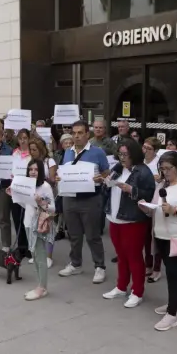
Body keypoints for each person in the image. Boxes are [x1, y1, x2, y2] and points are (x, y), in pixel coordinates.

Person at [138, 151, 177, 331]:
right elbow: (154, 208)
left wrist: (176, 211)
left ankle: (172, 315)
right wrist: (145, 207)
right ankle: (174, 304)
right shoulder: (160, 186)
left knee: (173, 274)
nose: (165, 172)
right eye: (162, 168)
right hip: (160, 236)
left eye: (169, 168)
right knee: (169, 271)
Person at [101, 138, 156, 307]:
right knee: (121, 256)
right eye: (120, 154)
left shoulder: (143, 171)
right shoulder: (118, 168)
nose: (122, 157)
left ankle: (137, 292)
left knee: (134, 257)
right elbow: (108, 188)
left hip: (133, 220)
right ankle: (121, 287)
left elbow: (149, 194)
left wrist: (131, 189)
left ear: (134, 154)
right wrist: (104, 182)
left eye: (126, 154)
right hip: (114, 218)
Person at [58, 120, 112, 282]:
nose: (76, 136)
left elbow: (107, 172)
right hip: (70, 199)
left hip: (91, 199)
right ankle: (76, 264)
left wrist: (100, 178)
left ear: (87, 135)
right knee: (74, 235)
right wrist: (59, 177)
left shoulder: (98, 152)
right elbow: (65, 172)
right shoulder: (67, 152)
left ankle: (100, 266)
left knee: (92, 235)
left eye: (80, 133)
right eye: (74, 133)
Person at [14, 159, 57, 300]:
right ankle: (39, 284)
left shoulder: (45, 186)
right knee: (34, 254)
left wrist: (41, 202)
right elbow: (24, 203)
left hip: (39, 224)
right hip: (28, 223)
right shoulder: (27, 185)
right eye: (30, 169)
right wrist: (13, 193)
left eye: (36, 169)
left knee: (40, 255)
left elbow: (52, 208)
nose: (32, 172)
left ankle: (42, 287)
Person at [27, 136, 58, 268]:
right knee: (35, 227)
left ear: (40, 149)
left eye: (34, 149)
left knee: (48, 227)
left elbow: (52, 179)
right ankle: (37, 253)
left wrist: (42, 179)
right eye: (30, 149)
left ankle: (49, 257)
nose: (32, 152)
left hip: (46, 193)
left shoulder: (49, 161)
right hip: (34, 194)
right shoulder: (31, 161)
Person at [142, 137, 164, 281]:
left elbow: (168, 179)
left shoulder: (160, 163)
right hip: (144, 202)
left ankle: (157, 268)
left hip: (156, 203)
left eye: (149, 149)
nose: (145, 151)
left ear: (155, 151)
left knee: (156, 237)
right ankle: (148, 265)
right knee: (145, 237)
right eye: (144, 147)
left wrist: (161, 179)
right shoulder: (141, 162)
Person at [10, 129, 34, 257]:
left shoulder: (33, 154)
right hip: (16, 190)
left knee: (28, 219)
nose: (23, 140)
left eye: (25, 137)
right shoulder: (14, 153)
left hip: (29, 189)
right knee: (17, 218)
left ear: (29, 138)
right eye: (20, 138)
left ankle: (31, 246)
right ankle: (21, 246)